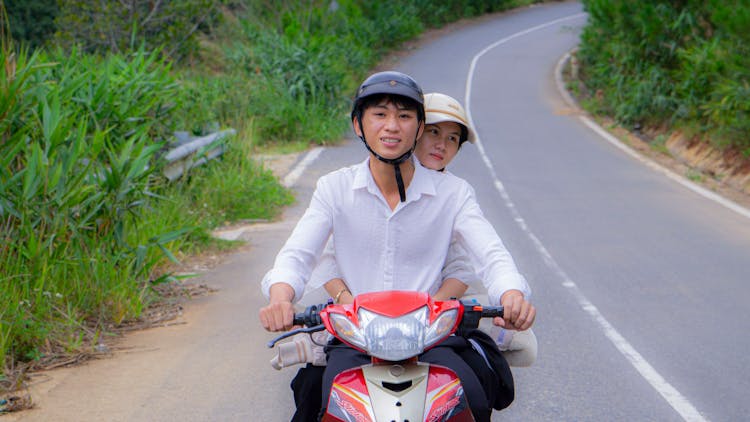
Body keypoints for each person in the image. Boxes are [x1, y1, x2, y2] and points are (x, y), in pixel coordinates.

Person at [259, 71, 535, 421]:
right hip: (356, 337)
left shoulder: (454, 194)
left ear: (418, 128)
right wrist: (280, 298)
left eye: (404, 116)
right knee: (315, 396)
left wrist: (511, 293)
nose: (391, 126)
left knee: (474, 395)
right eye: (379, 114)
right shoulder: (334, 189)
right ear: (359, 125)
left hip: (430, 338)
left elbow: (491, 255)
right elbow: (298, 255)